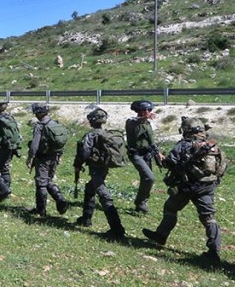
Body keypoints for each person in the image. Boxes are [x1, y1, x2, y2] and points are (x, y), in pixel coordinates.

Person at [143, 117, 227, 264]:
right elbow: (221, 167)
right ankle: (214, 251)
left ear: (186, 130)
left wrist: (160, 158)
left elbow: (170, 163)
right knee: (209, 218)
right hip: (207, 187)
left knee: (170, 208)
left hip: (186, 187)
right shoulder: (213, 147)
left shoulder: (183, 145)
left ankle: (161, 235)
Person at [72, 108, 126, 240]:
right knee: (90, 188)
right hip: (104, 167)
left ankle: (117, 228)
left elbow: (84, 152)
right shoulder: (106, 133)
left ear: (91, 121)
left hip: (95, 167)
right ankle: (86, 218)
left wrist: (78, 164)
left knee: (104, 194)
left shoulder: (91, 135)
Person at [26, 103, 70, 217]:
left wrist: (30, 158)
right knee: (48, 180)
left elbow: (35, 145)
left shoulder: (40, 126)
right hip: (54, 157)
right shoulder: (55, 124)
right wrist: (59, 155)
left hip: (43, 158)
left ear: (38, 113)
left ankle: (41, 211)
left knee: (41, 184)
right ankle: (60, 199)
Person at [126, 100, 164, 213]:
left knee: (146, 179)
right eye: (144, 110)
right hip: (136, 154)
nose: (147, 112)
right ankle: (140, 202)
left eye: (149, 110)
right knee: (149, 177)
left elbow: (151, 140)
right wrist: (145, 118)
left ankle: (142, 204)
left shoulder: (148, 123)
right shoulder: (131, 121)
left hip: (147, 154)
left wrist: (158, 153)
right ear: (138, 111)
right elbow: (136, 122)